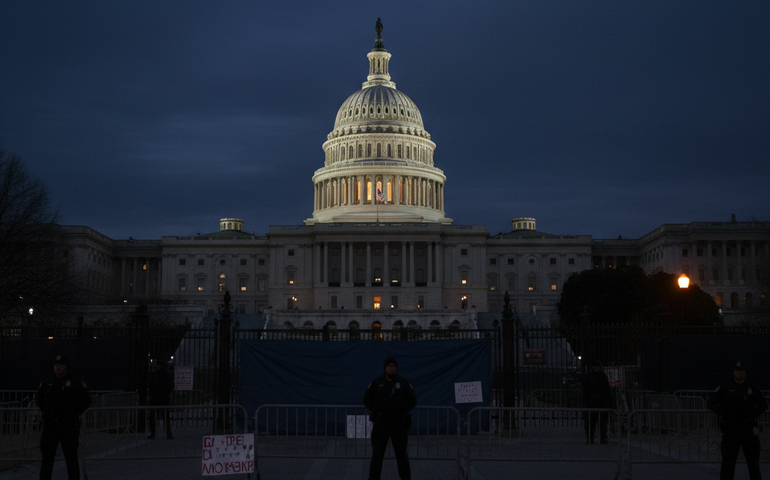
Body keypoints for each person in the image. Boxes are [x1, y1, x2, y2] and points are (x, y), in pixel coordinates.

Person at [707, 361, 768, 480]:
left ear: (745, 373)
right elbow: (711, 403)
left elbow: (763, 405)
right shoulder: (725, 387)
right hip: (731, 428)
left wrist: (752, 413)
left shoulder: (752, 388)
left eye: (742, 371)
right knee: (728, 464)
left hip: (748, 428)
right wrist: (724, 412)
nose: (739, 373)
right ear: (733, 372)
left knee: (753, 463)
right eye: (737, 371)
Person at [37, 354, 91, 480]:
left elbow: (86, 400)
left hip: (68, 425)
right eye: (56, 365)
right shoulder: (47, 382)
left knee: (71, 457)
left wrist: (75, 412)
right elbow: (39, 399)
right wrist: (46, 411)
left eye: (60, 365)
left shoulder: (75, 382)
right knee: (47, 458)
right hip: (50, 425)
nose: (57, 368)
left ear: (66, 366)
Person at [363, 356, 417, 480]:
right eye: (389, 366)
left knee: (401, 454)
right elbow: (366, 400)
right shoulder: (377, 383)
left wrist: (403, 411)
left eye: (394, 366)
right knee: (377, 454)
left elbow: (413, 401)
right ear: (385, 368)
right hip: (381, 423)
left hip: (398, 423)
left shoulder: (403, 383)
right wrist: (375, 410)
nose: (392, 368)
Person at [582, 360, 612, 444]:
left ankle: (593, 438)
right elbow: (607, 389)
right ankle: (596, 438)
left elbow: (585, 389)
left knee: (595, 422)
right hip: (598, 401)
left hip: (594, 402)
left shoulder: (590, 376)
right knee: (596, 422)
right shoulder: (602, 376)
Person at [147, 360, 174, 440]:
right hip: (164, 398)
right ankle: (168, 433)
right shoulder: (166, 375)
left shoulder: (154, 374)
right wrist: (167, 393)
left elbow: (150, 385)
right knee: (166, 417)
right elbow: (171, 385)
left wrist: (151, 394)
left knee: (153, 417)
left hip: (154, 398)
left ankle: (153, 433)